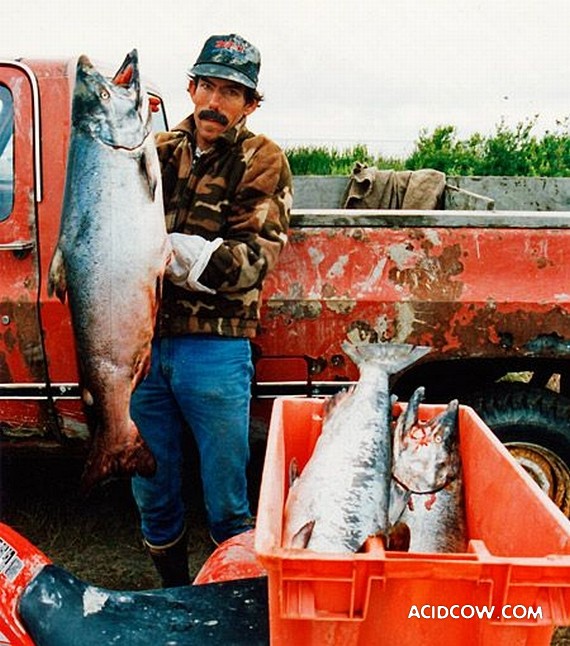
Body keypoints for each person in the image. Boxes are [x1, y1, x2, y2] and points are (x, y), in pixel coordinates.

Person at [130, 33, 293, 587]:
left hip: (216, 348)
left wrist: (181, 255)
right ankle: (175, 594)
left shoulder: (262, 158)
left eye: (231, 92)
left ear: (250, 104)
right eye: (207, 87)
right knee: (153, 484)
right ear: (191, 89)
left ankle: (237, 598)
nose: (215, 103)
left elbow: (253, 261)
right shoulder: (156, 151)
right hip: (144, 348)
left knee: (227, 497)